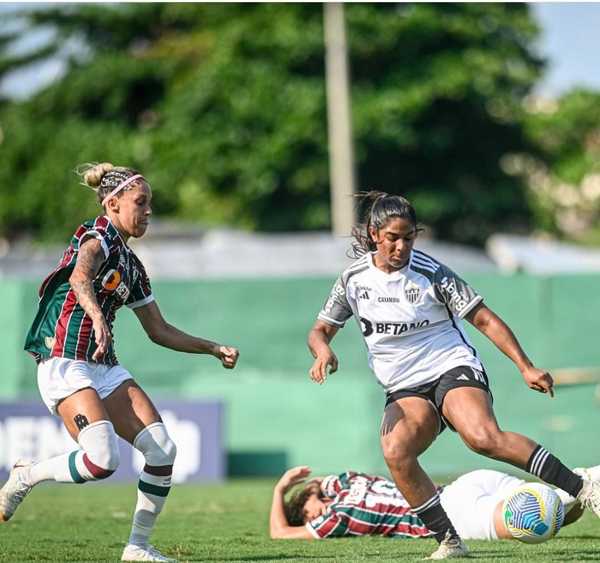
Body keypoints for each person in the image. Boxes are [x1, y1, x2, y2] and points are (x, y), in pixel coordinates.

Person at [307, 191, 600, 559]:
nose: (401, 246)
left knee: (481, 438)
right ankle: (450, 541)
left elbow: (484, 319)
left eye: (409, 237)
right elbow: (319, 330)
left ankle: (584, 487)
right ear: (374, 234)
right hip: (403, 387)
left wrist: (525, 366)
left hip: (450, 365)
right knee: (396, 452)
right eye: (393, 238)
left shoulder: (431, 273)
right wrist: (323, 351)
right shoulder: (353, 279)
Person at [0, 163, 239, 563]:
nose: (148, 212)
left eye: (150, 205)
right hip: (62, 359)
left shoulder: (132, 266)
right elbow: (79, 277)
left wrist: (212, 348)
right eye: (140, 203)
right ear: (112, 203)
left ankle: (137, 548)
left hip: (102, 365)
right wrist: (95, 315)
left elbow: (158, 330)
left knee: (162, 449)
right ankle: (25, 476)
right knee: (103, 460)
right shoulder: (98, 237)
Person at [270, 465, 597, 541]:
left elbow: (279, 533)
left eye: (311, 511)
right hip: (466, 487)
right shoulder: (342, 499)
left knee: (540, 520)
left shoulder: (340, 500)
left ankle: (586, 480)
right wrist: (283, 487)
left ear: (313, 496)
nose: (317, 516)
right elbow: (282, 533)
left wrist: (282, 491)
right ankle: (587, 476)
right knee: (559, 509)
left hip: (455, 510)